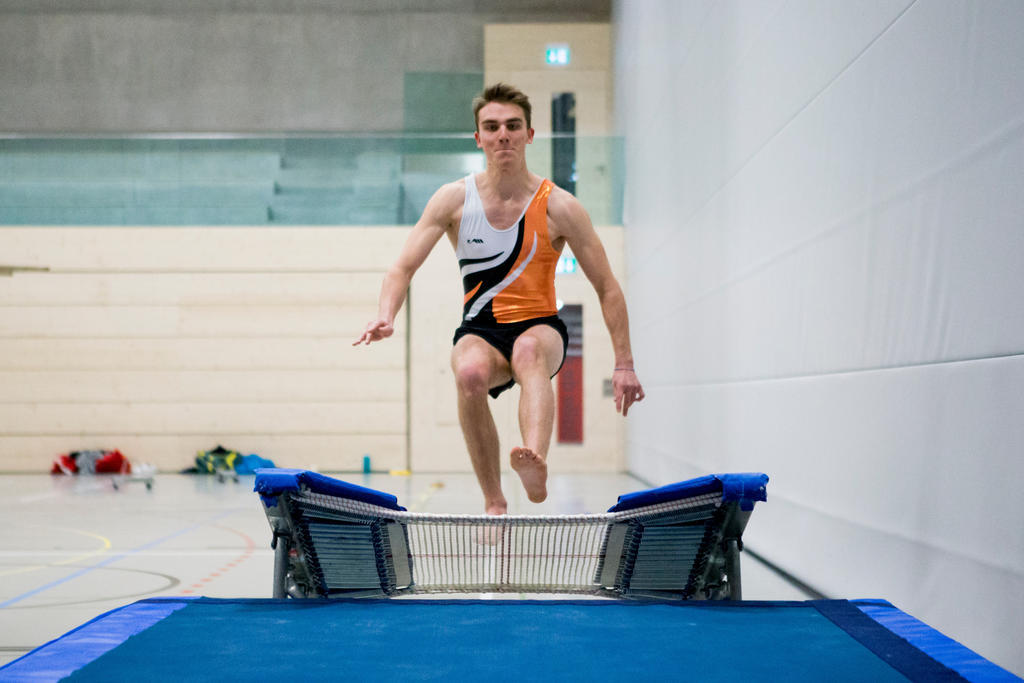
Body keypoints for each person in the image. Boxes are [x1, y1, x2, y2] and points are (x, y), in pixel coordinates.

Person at [355, 83, 644, 515]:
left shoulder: (559, 207)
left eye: (512, 126)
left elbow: (607, 287)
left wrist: (624, 365)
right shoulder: (454, 200)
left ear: (530, 134)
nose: (502, 135)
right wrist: (386, 314)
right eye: (491, 127)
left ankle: (534, 462)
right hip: (480, 329)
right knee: (469, 373)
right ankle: (494, 501)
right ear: (478, 138)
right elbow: (402, 267)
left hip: (541, 324)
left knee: (529, 351)